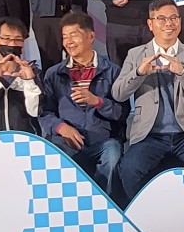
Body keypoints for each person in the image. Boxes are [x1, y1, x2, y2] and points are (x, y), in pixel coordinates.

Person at [112, 0, 184, 199]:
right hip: (149, 135)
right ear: (150, 24)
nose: (168, 23)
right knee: (129, 168)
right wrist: (139, 72)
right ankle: (144, 213)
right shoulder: (136, 54)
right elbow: (118, 93)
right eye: (161, 19)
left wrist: (183, 71)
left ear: (180, 21)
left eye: (174, 18)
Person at [40, 12, 125, 195]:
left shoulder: (112, 71)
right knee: (53, 157)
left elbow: (121, 113)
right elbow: (45, 112)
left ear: (91, 36)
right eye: (65, 37)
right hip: (66, 141)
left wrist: (97, 101)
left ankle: (104, 203)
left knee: (112, 156)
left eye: (74, 35)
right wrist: (61, 127)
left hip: (103, 141)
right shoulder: (54, 74)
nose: (69, 42)